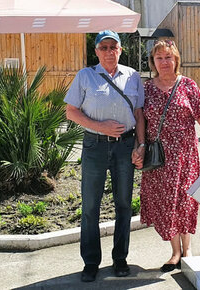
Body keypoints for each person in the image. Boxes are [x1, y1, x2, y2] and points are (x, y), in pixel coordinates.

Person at [138, 39, 200, 272]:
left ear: (176, 59)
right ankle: (175, 252)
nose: (164, 62)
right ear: (153, 62)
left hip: (185, 155)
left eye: (168, 57)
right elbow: (140, 119)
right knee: (166, 203)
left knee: (185, 202)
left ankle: (187, 249)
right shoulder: (147, 88)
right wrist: (139, 145)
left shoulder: (187, 85)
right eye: (159, 58)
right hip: (158, 158)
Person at [64, 30, 145, 282]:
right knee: (90, 206)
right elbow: (71, 112)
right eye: (104, 47)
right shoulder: (85, 76)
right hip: (95, 147)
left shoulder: (132, 76)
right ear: (96, 51)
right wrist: (102, 127)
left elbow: (140, 114)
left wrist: (140, 145)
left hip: (125, 147)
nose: (109, 51)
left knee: (123, 204)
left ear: (120, 50)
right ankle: (91, 262)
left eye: (114, 47)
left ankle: (120, 259)